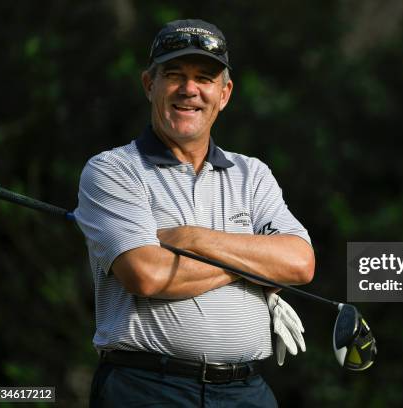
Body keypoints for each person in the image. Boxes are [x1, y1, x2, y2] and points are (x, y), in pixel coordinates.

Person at [74, 18, 315, 408]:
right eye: (174, 74)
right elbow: (147, 274)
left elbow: (301, 263)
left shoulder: (252, 173)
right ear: (149, 84)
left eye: (204, 77)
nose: (190, 89)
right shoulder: (112, 170)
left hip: (247, 392)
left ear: (224, 93)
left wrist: (189, 239)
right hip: (148, 388)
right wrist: (256, 262)